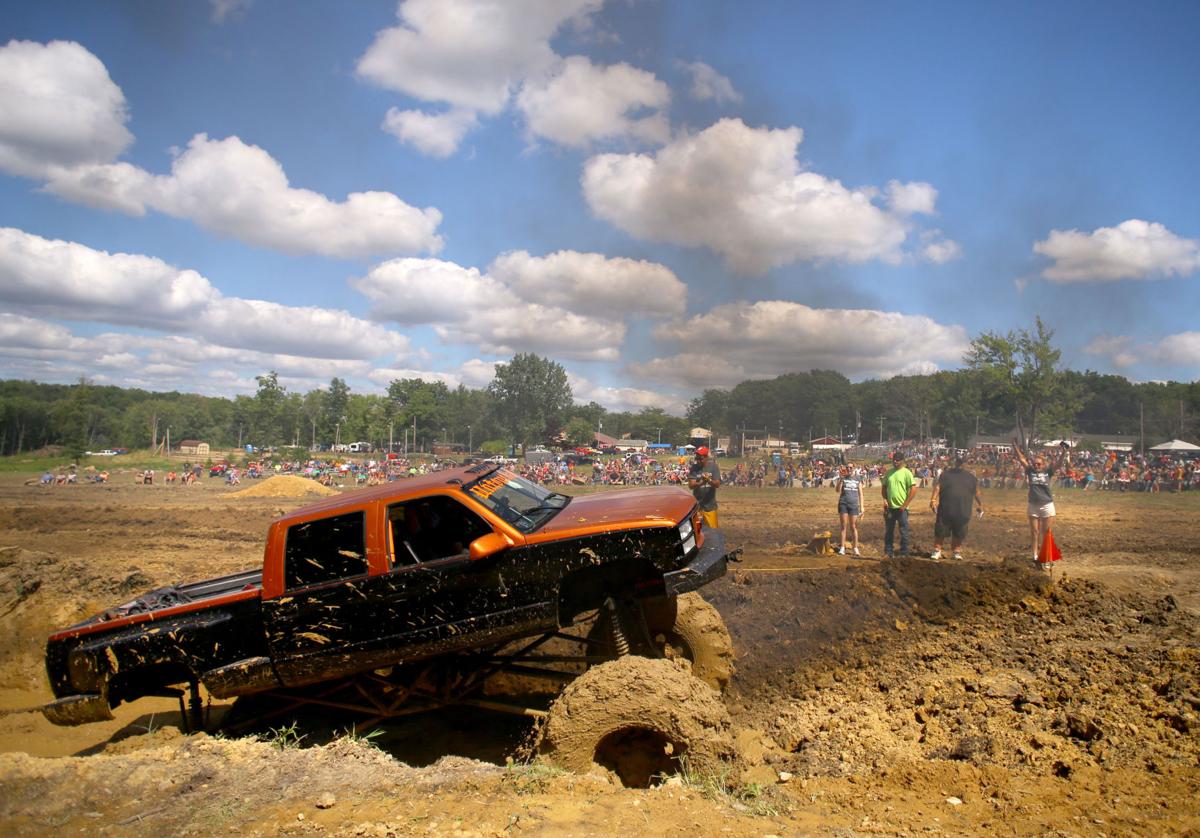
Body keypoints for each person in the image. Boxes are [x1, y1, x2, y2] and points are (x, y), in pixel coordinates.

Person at [1012, 439, 1070, 569]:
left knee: (1047, 531)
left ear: (1043, 465)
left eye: (1039, 464)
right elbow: (1021, 459)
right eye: (1035, 464)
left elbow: (1059, 464)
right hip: (1033, 504)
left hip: (1047, 504)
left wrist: (1063, 452)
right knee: (1034, 531)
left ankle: (1047, 556)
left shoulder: (1047, 472)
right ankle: (1035, 555)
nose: (1036, 466)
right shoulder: (1030, 471)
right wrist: (1015, 446)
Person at [929, 455, 984, 560]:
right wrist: (933, 500)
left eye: (961, 462)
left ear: (965, 464)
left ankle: (956, 552)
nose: (959, 464)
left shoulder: (971, 477)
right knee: (941, 529)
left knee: (960, 531)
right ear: (955, 463)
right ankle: (937, 550)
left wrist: (980, 504)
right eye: (957, 462)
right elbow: (938, 487)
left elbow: (976, 492)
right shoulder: (946, 475)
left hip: (963, 509)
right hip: (946, 508)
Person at [881, 452, 916, 558]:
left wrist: (905, 505)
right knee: (889, 531)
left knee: (904, 531)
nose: (895, 461)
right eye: (894, 460)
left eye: (897, 460)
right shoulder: (889, 473)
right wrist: (885, 500)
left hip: (902, 509)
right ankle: (888, 552)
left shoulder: (907, 473)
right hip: (890, 508)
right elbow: (884, 488)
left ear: (902, 461)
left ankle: (904, 553)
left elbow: (913, 489)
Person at [687, 446, 722, 529]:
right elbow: (691, 485)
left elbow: (717, 484)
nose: (698, 460)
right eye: (697, 458)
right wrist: (701, 482)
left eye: (701, 458)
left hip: (710, 506)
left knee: (713, 531)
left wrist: (709, 480)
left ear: (706, 457)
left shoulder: (713, 467)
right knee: (697, 531)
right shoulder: (694, 468)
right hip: (697, 506)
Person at [834, 464, 864, 555]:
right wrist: (841, 479)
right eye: (847, 467)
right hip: (843, 504)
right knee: (843, 526)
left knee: (853, 526)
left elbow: (861, 494)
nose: (849, 469)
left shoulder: (858, 478)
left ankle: (855, 547)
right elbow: (837, 490)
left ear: (854, 468)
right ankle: (842, 548)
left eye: (851, 467)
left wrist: (862, 507)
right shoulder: (844, 478)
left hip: (854, 505)